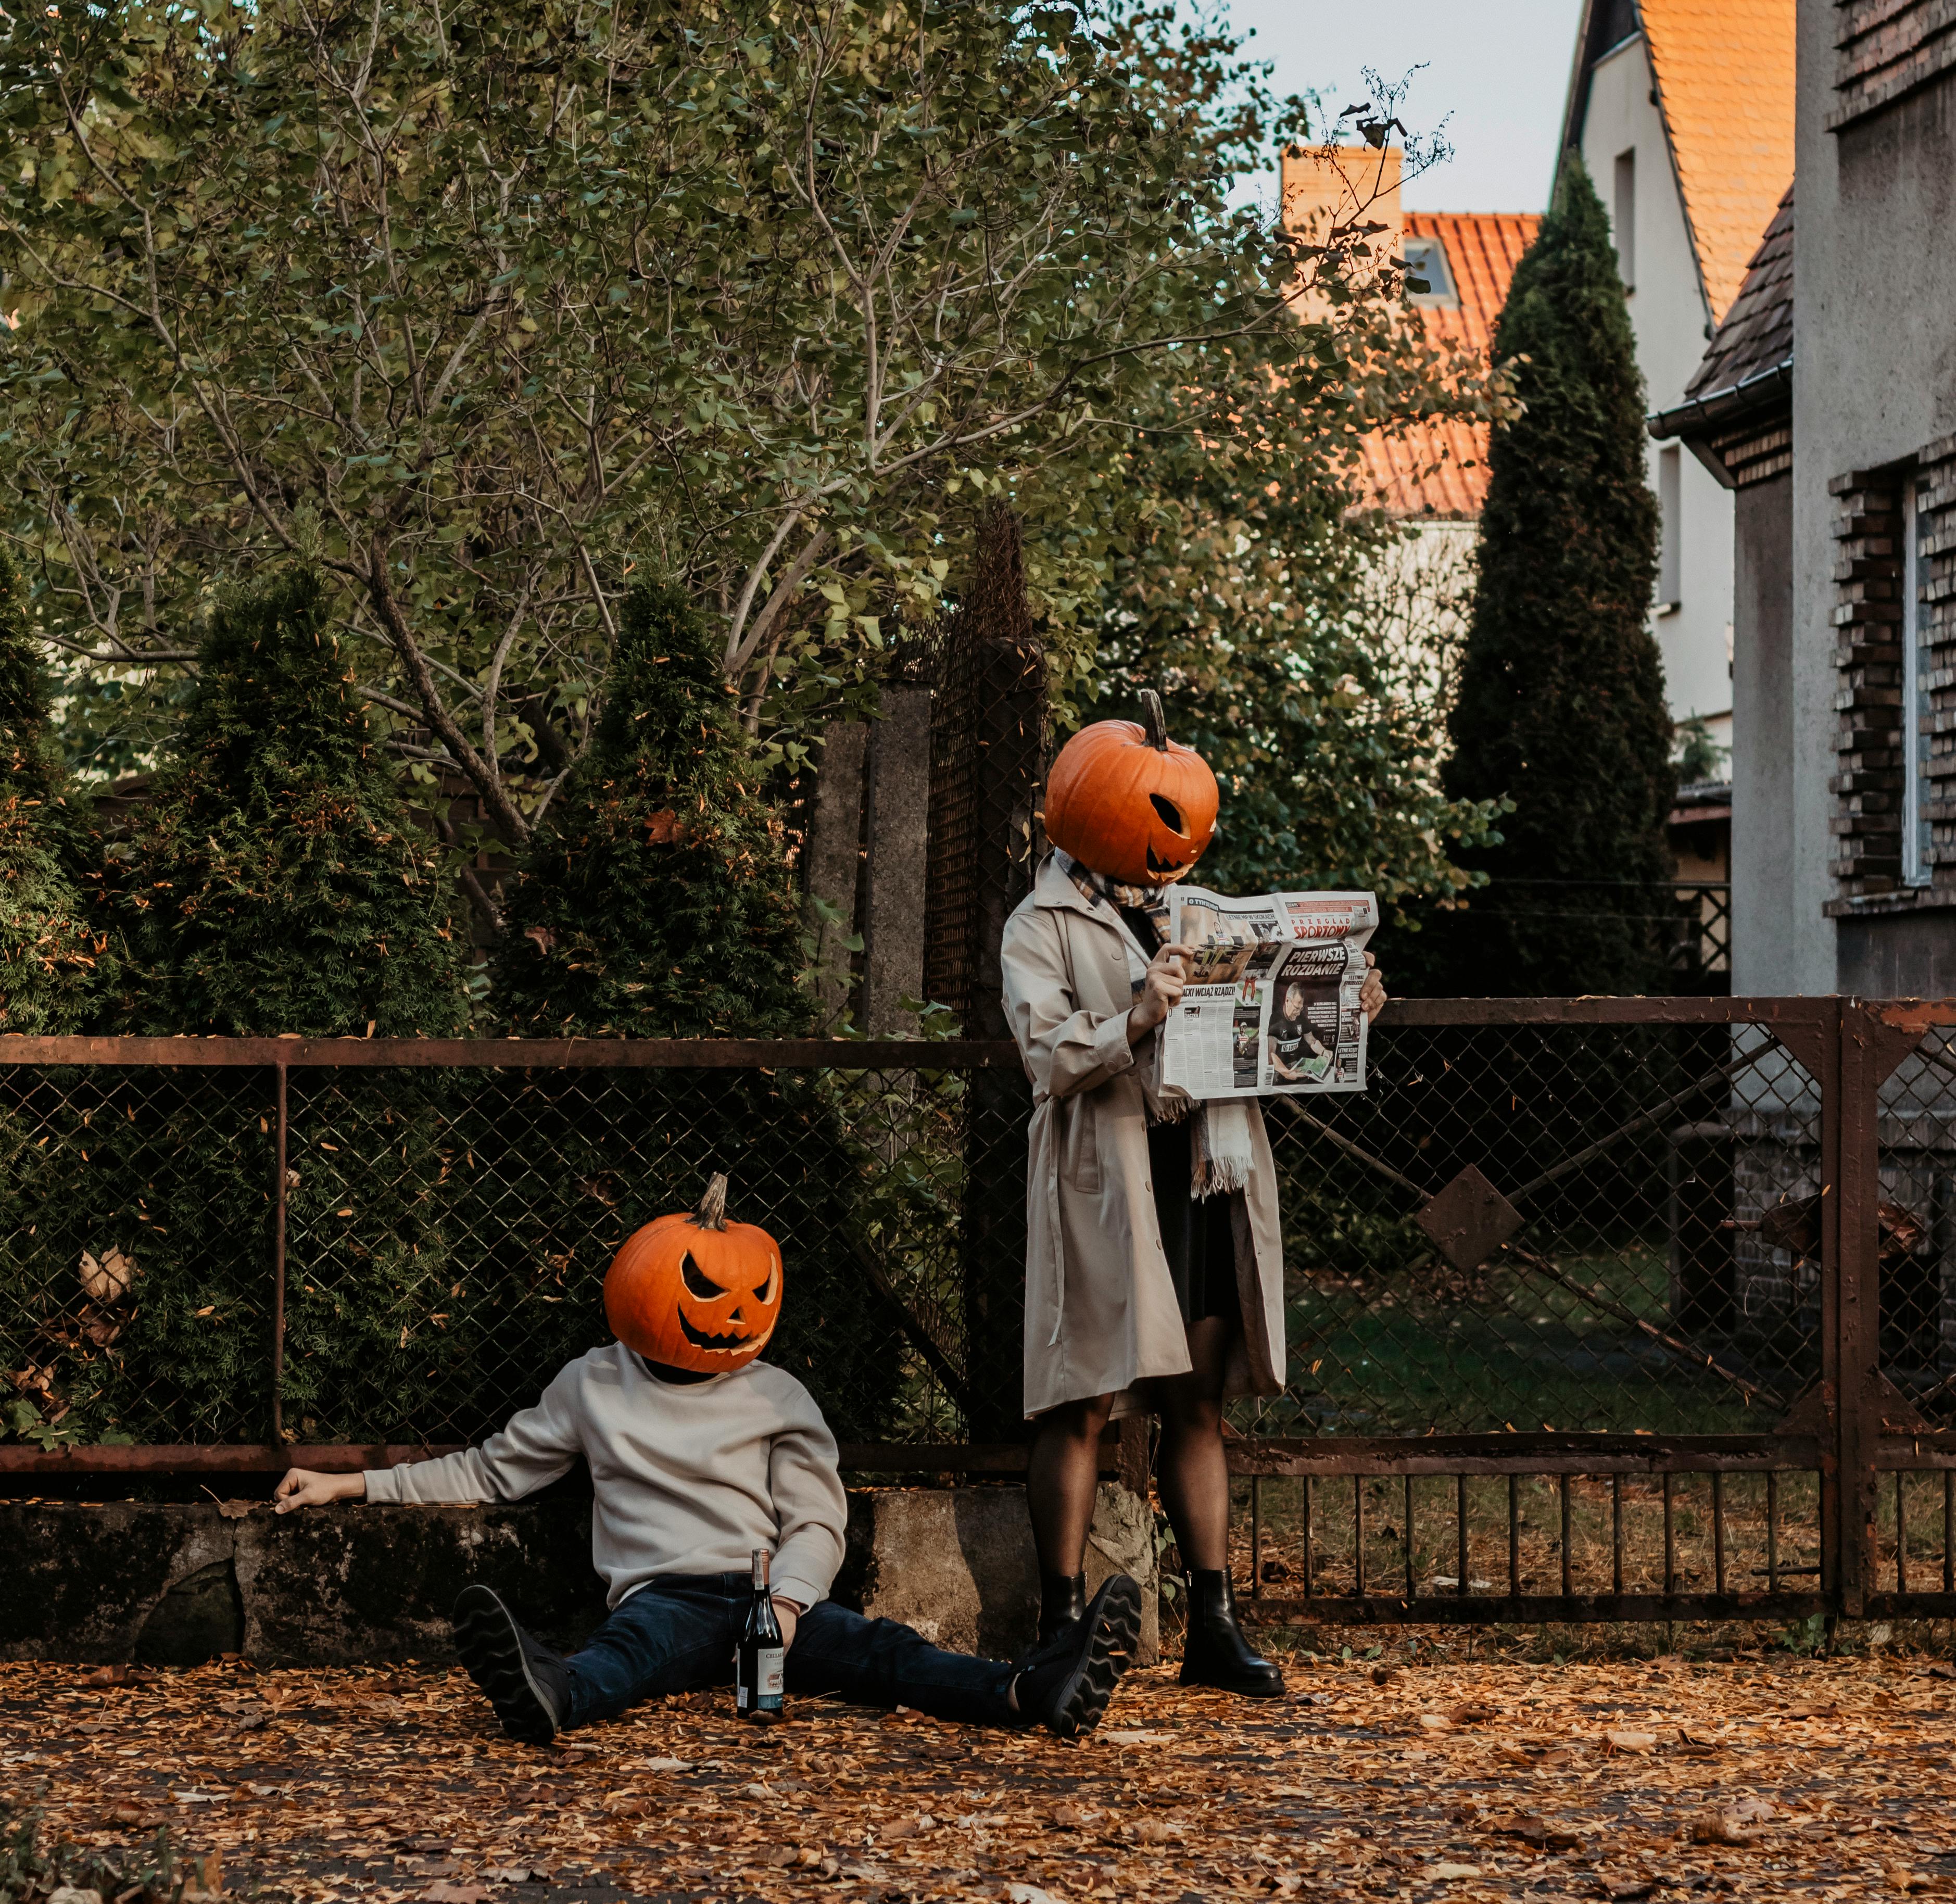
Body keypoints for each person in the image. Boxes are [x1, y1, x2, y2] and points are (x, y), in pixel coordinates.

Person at [274, 1178, 1141, 1746]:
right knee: (623, 1659)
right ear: (641, 1288)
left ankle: (1031, 1690)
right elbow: (494, 1470)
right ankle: (549, 1691)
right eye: (704, 1290)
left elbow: (815, 1517)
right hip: (668, 1596)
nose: (731, 1312)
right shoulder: (592, 1384)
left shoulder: (777, 1395)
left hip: (775, 1596)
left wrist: (794, 1602)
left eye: (752, 1295)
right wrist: (351, 1483)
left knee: (890, 1655)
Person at [1000, 693, 1384, 1700]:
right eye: (1159, 818)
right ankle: (1058, 1626)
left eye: (1191, 823)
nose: (1179, 842)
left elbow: (1264, 1048)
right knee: (1080, 1403)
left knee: (1197, 1404)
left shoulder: (1200, 913)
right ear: (1091, 813)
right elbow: (1045, 1058)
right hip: (1108, 1176)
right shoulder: (1039, 924)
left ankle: (1213, 1626)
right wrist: (1136, 1013)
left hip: (1206, 1173)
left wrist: (1338, 1000)